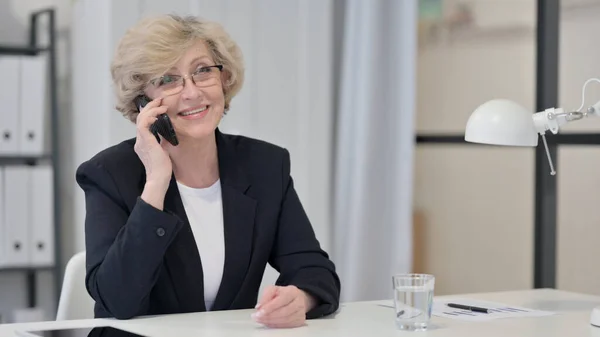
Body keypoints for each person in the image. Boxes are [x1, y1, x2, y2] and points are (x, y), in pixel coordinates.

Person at [75, 14, 341, 328]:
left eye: (202, 71)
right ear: (142, 101)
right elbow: (116, 300)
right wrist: (157, 181)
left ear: (223, 79)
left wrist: (301, 297)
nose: (191, 92)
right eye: (168, 79)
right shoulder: (109, 174)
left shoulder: (265, 165)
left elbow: (314, 270)